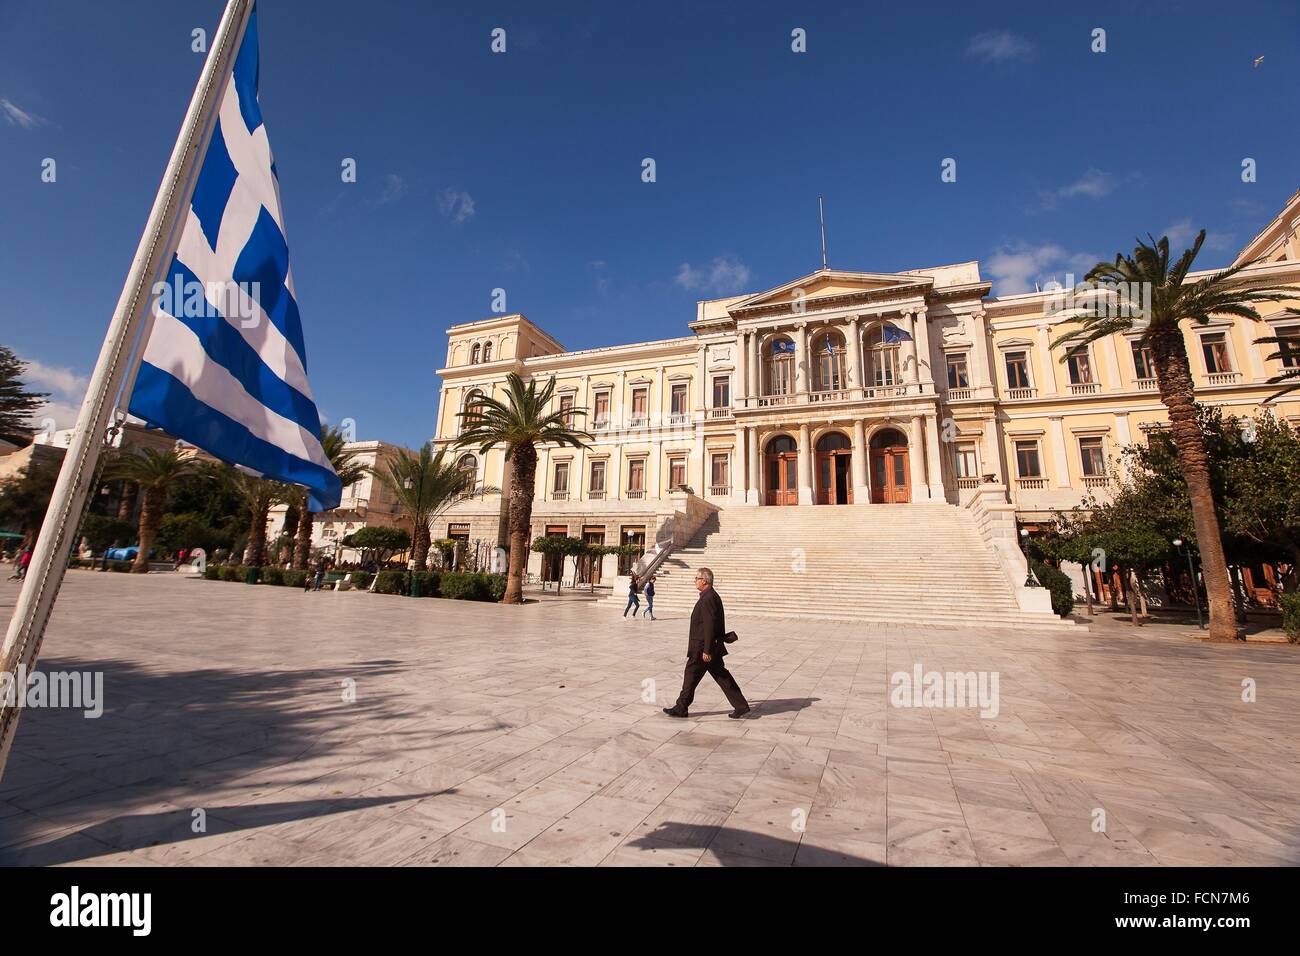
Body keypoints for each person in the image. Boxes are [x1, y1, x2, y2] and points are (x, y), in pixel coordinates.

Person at [663, 567, 750, 719]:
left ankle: (681, 707)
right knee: (721, 676)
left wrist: (707, 650)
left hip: (703, 648)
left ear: (704, 581)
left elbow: (709, 625)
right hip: (709, 646)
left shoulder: (708, 598)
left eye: (696, 578)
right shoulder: (709, 596)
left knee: (691, 675)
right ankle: (741, 705)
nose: (695, 581)